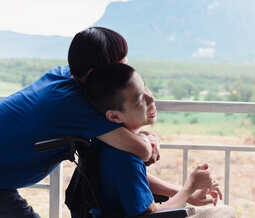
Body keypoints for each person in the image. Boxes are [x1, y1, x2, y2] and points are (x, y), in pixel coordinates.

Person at [0, 27, 159, 217]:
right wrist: (148, 139)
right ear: (95, 72)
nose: (125, 72)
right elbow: (142, 150)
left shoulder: (64, 75)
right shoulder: (73, 103)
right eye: (120, 66)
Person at [84, 63, 225, 217]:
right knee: (225, 212)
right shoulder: (125, 160)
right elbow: (153, 215)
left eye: (145, 88)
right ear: (114, 116)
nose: (151, 98)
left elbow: (136, 181)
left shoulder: (110, 144)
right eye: (138, 99)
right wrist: (190, 186)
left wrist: (190, 195)